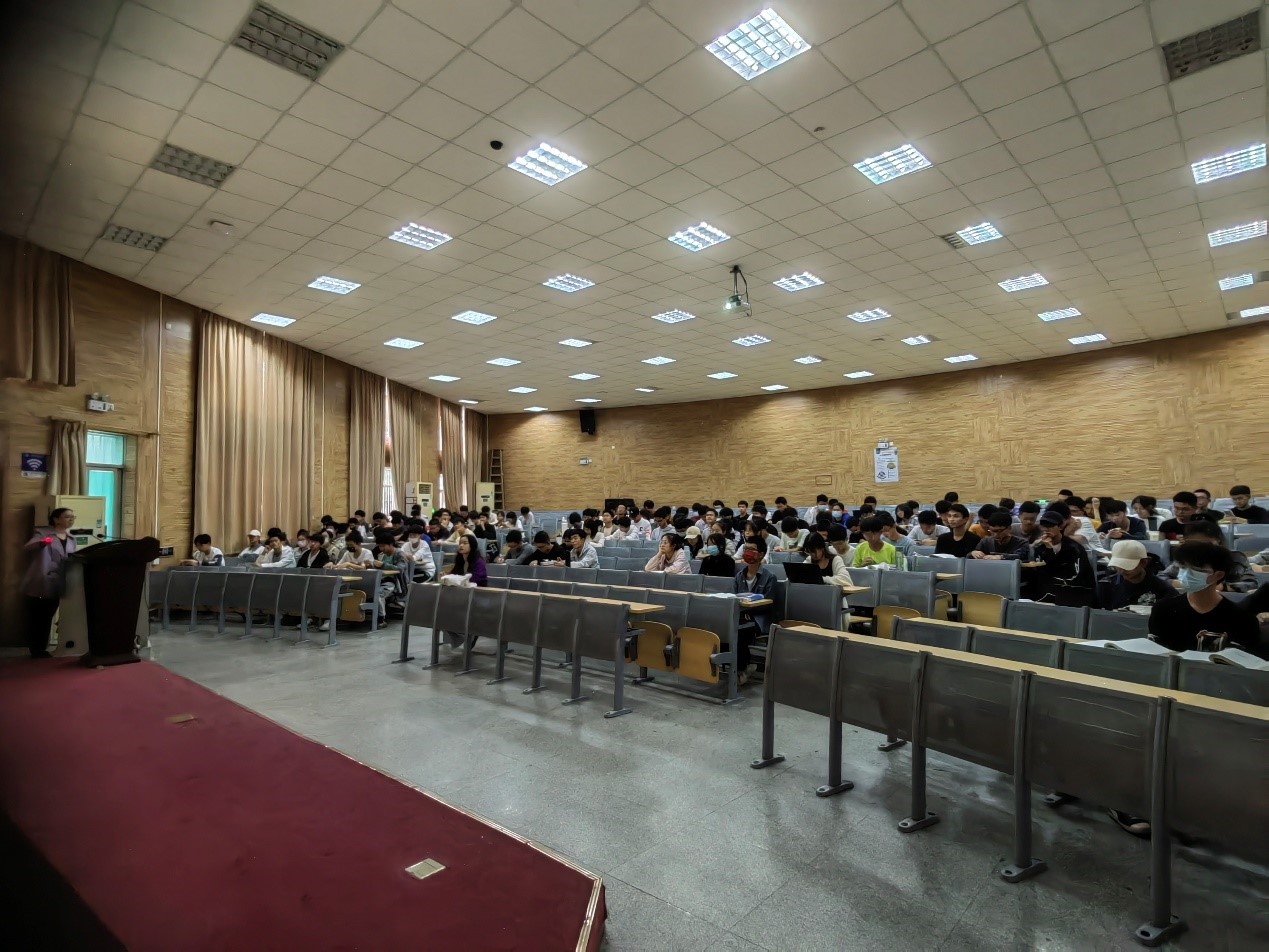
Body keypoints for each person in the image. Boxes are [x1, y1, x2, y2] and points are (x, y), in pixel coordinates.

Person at [1148, 542, 1259, 653]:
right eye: (1183, 567)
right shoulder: (1163, 610)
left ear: (1218, 575)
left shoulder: (1241, 619)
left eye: (1196, 569)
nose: (1186, 574)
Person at [23, 507, 77, 658]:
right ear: (56, 519)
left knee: (48, 617)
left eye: (73, 517)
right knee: (39, 617)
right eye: (67, 516)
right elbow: (28, 546)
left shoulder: (72, 539)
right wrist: (42, 543)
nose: (71, 519)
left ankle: (41, 648)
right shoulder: (43, 534)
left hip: (59, 583)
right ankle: (36, 650)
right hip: (42, 582)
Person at [1028, 510, 1097, 606]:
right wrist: (1048, 550)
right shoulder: (1041, 548)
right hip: (1050, 590)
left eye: (1050, 526)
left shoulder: (1074, 548)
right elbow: (1043, 572)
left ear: (1060, 527)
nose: (1046, 529)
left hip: (1075, 590)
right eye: (1043, 526)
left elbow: (1075, 575)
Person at [734, 538, 777, 684]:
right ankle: (738, 665)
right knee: (726, 625)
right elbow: (734, 598)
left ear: (761, 554)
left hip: (760, 620)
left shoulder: (769, 577)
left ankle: (740, 669)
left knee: (738, 629)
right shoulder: (739, 576)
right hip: (741, 616)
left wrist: (748, 607)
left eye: (751, 550)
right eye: (746, 549)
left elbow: (769, 604)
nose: (747, 553)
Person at [1097, 540, 1175, 610]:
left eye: (1127, 566)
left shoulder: (1163, 590)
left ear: (1144, 563)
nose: (1122, 571)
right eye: (1118, 566)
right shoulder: (1106, 585)